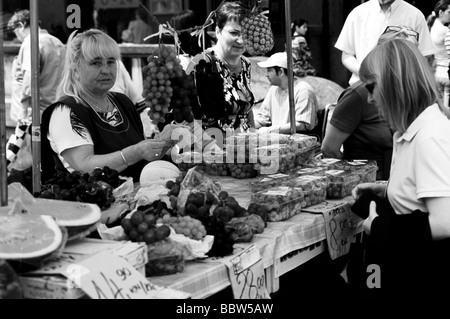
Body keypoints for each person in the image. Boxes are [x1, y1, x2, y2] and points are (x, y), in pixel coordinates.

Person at [352, 38, 450, 301]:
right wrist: (387, 189)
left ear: (396, 83)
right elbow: (426, 197)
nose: (370, 98)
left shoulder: (430, 136)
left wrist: (379, 226)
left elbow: (445, 223)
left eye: (372, 87)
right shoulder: (410, 131)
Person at [40, 29, 168, 183]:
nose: (106, 70)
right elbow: (85, 166)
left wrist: (165, 143)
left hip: (135, 199)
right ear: (76, 69)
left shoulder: (122, 102)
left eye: (111, 62)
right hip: (92, 204)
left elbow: (142, 158)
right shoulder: (66, 112)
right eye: (96, 63)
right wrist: (136, 152)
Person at [321, 26, 419, 180]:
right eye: (401, 58)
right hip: (369, 185)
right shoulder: (358, 95)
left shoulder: (413, 92)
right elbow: (329, 149)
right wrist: (354, 179)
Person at [335, 0, 435, 85]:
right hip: (363, 87)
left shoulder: (415, 16)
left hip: (399, 90)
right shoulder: (358, 13)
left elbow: (423, 56)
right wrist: (366, 73)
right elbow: (347, 54)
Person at [192, 1, 255, 133]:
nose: (241, 40)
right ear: (218, 31)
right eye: (234, 33)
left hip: (246, 145)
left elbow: (248, 112)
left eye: (246, 33)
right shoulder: (203, 63)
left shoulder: (245, 63)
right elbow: (193, 114)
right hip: (214, 147)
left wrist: (253, 134)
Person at [7, 9, 65, 123]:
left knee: (25, 140)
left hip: (36, 113)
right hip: (58, 108)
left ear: (21, 25)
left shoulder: (31, 43)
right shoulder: (57, 42)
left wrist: (22, 112)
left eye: (15, 32)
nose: (17, 37)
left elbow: (29, 79)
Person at [254, 52, 319, 135]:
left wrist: (270, 130)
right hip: (277, 141)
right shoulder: (273, 89)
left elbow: (302, 124)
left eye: (269, 70)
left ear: (281, 72)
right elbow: (263, 117)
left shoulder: (303, 90)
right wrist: (246, 126)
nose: (266, 75)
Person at [427, 0, 450, 108]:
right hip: (447, 72)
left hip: (437, 72)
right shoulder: (445, 30)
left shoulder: (432, 27)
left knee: (441, 108)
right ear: (441, 12)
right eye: (449, 12)